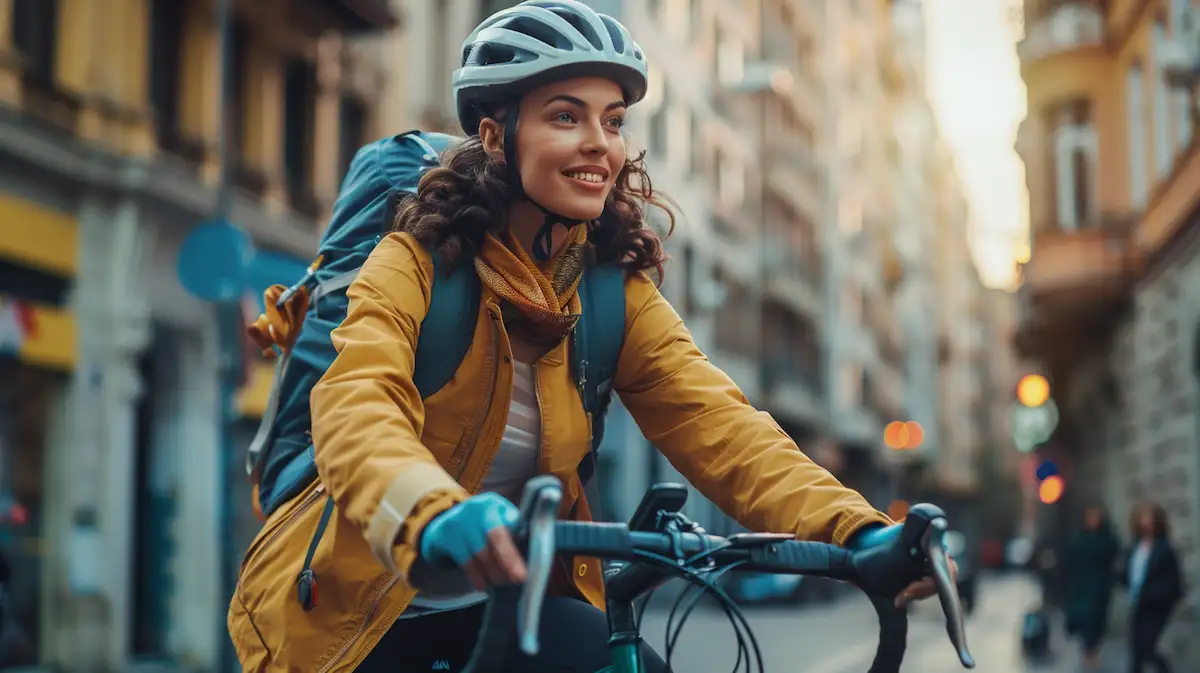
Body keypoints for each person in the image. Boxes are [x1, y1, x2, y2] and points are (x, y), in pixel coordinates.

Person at [227, 2, 952, 671]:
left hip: (515, 606)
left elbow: (722, 425)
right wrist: (433, 512)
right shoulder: (419, 257)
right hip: (357, 619)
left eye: (613, 120)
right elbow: (357, 412)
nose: (599, 144)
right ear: (495, 134)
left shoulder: (608, 288)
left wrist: (856, 532)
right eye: (566, 117)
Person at [1120, 502, 1184, 673]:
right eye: (1142, 518)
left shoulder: (1164, 548)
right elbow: (1128, 571)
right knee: (1136, 650)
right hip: (1138, 603)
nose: (1146, 522)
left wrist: (1156, 594)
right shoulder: (1135, 546)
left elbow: (1174, 581)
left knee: (1147, 646)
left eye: (1150, 518)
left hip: (1156, 605)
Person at [1064, 506, 1120, 669]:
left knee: (1098, 618)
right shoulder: (1081, 539)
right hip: (1083, 584)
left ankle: (1093, 649)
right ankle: (1088, 650)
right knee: (1086, 616)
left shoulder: (1107, 539)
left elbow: (1112, 554)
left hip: (1100, 585)